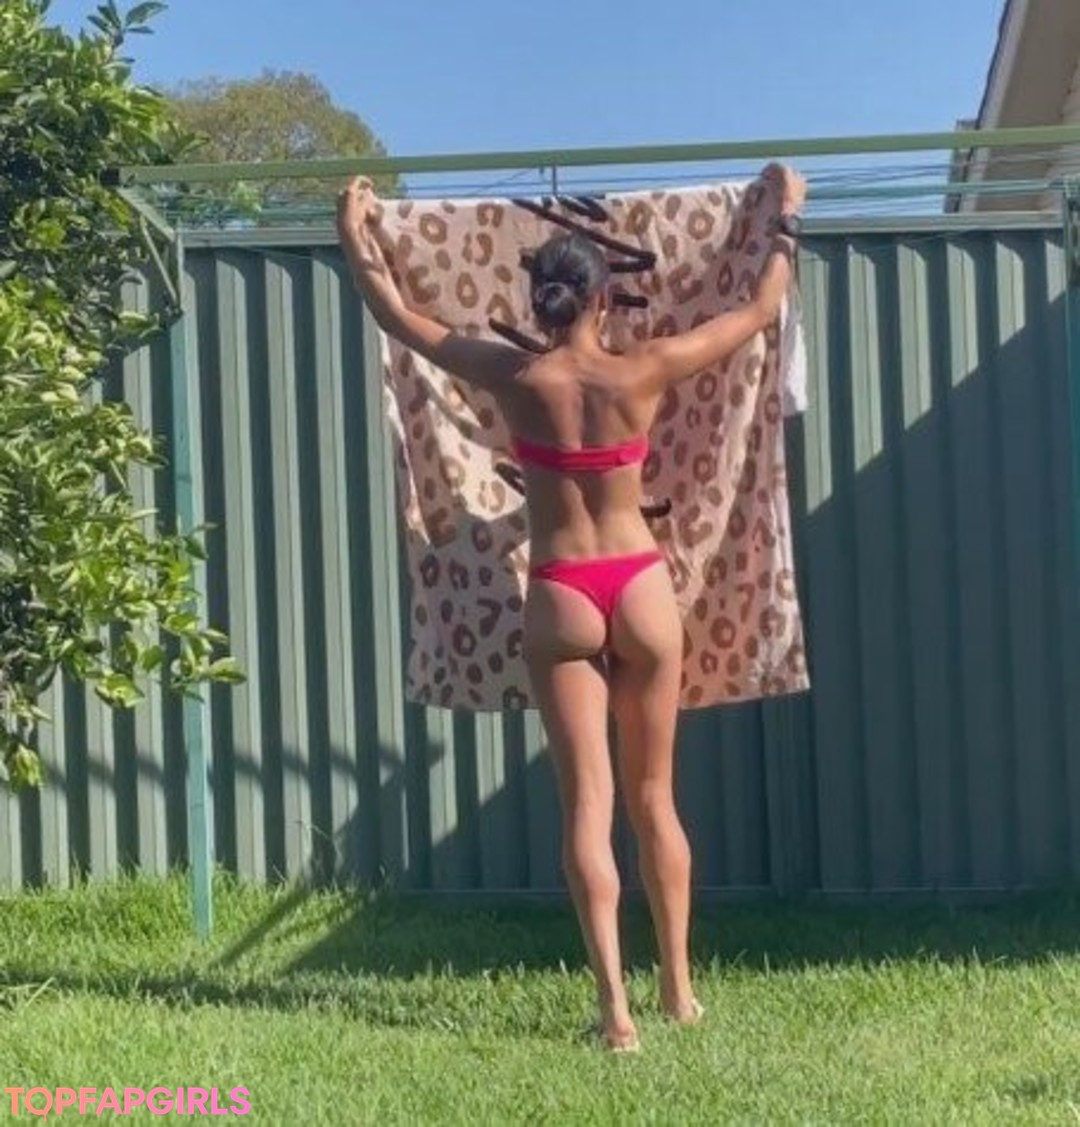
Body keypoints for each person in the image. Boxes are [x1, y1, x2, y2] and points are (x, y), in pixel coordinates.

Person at [337, 166, 806, 1052]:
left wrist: (354, 230)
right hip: (641, 585)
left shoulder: (513, 374)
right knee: (655, 798)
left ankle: (615, 1013)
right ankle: (679, 990)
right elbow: (755, 311)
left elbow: (398, 316)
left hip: (561, 593)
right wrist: (784, 218)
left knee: (588, 807)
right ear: (601, 300)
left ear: (540, 301)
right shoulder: (644, 369)